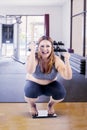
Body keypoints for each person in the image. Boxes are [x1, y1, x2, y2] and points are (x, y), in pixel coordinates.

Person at [24, 36, 72, 117]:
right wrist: (32, 51)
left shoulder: (56, 59)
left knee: (61, 93)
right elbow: (30, 70)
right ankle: (32, 105)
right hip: (34, 84)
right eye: (42, 46)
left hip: (50, 85)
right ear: (38, 47)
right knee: (30, 92)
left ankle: (50, 105)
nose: (44, 49)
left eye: (48, 46)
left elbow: (68, 77)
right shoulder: (34, 57)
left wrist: (67, 60)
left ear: (52, 48)